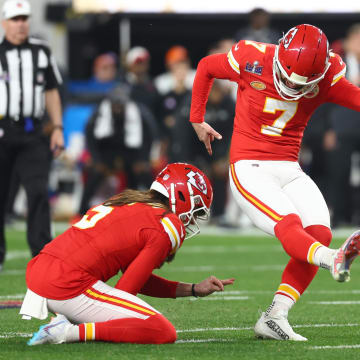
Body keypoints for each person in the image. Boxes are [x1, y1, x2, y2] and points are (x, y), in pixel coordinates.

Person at [189, 24, 360, 341]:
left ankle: (274, 317)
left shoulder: (328, 75)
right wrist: (197, 118)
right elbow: (205, 67)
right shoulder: (251, 57)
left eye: (301, 83)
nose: (291, 87)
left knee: (318, 230)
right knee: (291, 225)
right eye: (286, 76)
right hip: (249, 166)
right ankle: (332, 259)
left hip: (289, 167)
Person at [20, 163, 235, 345]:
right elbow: (126, 290)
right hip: (66, 284)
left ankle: (65, 320)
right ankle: (66, 331)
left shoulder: (131, 201)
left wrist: (194, 289)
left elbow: (137, 278)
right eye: (196, 209)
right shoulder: (166, 223)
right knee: (162, 330)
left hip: (41, 271)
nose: (194, 219)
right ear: (181, 196)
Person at [0, 0, 63, 271]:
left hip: (33, 132)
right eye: (15, 19)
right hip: (3, 132)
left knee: (38, 191)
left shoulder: (41, 52)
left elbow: (51, 91)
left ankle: (42, 256)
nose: (21, 23)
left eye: (24, 18)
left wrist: (58, 127)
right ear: (4, 23)